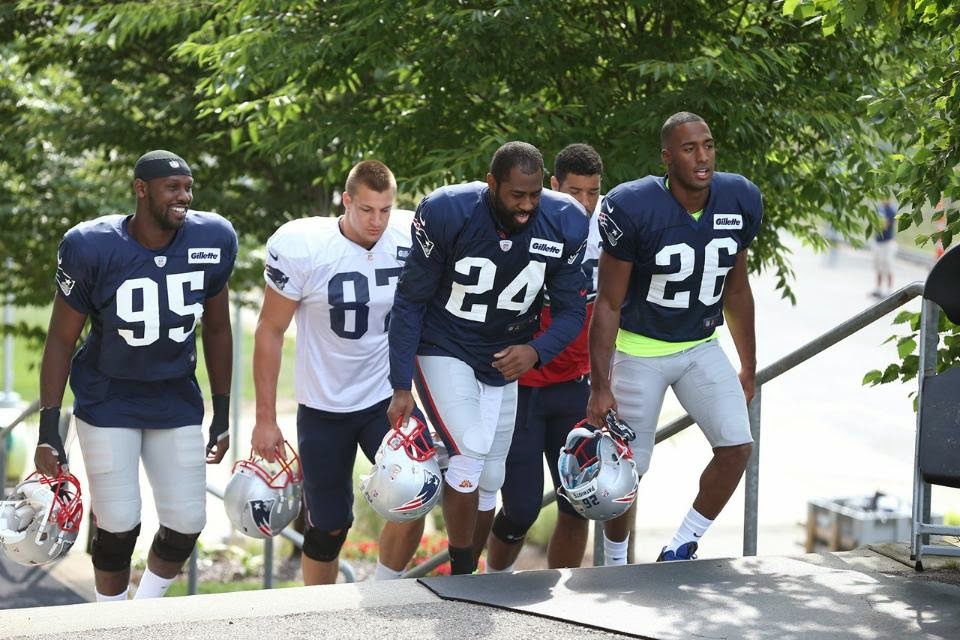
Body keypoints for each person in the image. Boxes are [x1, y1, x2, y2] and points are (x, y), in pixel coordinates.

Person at [34, 150, 238, 601]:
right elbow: (61, 339)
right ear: (141, 189)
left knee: (187, 521)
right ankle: (111, 617)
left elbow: (217, 328)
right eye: (172, 187)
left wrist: (222, 412)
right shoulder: (91, 245)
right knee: (119, 523)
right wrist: (49, 428)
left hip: (174, 397)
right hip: (108, 399)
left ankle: (144, 610)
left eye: (188, 187)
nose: (184, 197)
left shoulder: (213, 237)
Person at [387, 141, 589, 575]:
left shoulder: (564, 220)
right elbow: (410, 301)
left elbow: (573, 312)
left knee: (492, 477)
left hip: (503, 355)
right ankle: (462, 575)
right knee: (469, 452)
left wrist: (536, 351)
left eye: (534, 195)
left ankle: (474, 575)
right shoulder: (449, 212)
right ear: (492, 183)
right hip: (446, 344)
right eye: (517, 195)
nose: (527, 206)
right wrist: (401, 384)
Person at [587, 112, 762, 564]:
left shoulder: (739, 198)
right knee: (628, 468)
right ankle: (616, 560)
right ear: (667, 157)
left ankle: (682, 545)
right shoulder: (633, 205)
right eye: (689, 148)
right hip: (639, 350)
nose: (702, 157)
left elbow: (736, 290)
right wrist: (600, 385)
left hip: (700, 346)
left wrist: (748, 365)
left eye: (708, 145)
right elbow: (608, 302)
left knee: (736, 446)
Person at [251, 160, 427, 585]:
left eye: (385, 210)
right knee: (328, 528)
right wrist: (265, 418)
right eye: (366, 209)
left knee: (417, 492)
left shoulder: (410, 235)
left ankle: (384, 592)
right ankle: (321, 615)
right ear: (346, 200)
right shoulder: (305, 246)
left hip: (386, 398)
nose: (376, 221)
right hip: (324, 406)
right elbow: (270, 330)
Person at [486, 144, 603, 572]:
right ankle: (491, 582)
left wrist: (606, 381)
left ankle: (564, 595)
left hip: (575, 387)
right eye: (575, 192)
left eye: (593, 192)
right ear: (553, 186)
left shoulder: (610, 228)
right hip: (523, 388)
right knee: (520, 508)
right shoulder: (528, 219)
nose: (584, 203)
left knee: (580, 501)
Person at [872, 198, 897, 297]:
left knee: (888, 266)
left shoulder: (891, 210)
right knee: (878, 265)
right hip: (878, 241)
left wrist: (878, 222)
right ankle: (878, 288)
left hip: (887, 243)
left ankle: (889, 289)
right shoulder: (879, 208)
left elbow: (885, 225)